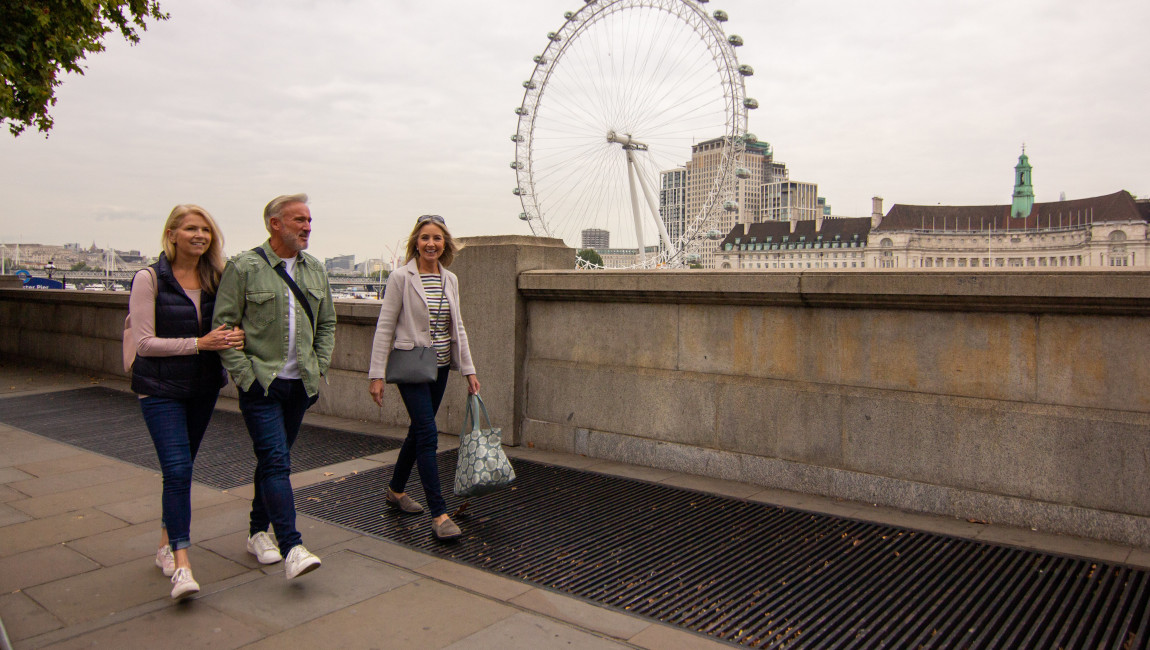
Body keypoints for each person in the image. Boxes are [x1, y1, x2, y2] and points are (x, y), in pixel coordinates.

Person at [212, 193, 336, 579]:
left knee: (272, 460)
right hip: (262, 384)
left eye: (310, 220)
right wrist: (245, 375)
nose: (307, 227)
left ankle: (255, 532)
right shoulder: (244, 267)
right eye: (299, 220)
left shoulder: (315, 268)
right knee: (278, 462)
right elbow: (224, 326)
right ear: (274, 224)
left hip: (300, 385)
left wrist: (319, 365)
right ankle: (292, 545)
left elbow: (328, 323)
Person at [129, 204, 244, 600]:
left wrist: (235, 337)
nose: (200, 235)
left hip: (202, 387)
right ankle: (182, 563)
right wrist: (200, 343)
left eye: (206, 230)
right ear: (172, 234)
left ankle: (164, 542)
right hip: (159, 389)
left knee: (180, 470)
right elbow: (144, 343)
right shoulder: (149, 279)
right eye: (191, 228)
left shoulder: (218, 277)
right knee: (178, 469)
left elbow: (229, 326)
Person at [368, 214, 480, 541]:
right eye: (425, 238)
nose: (431, 244)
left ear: (445, 244)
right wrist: (376, 375)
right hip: (411, 365)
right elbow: (385, 327)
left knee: (418, 432)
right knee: (429, 434)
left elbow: (457, 327)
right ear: (415, 242)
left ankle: (396, 490)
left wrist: (469, 370)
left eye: (437, 238)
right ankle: (439, 513)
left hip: (441, 366)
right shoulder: (401, 278)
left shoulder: (451, 279)